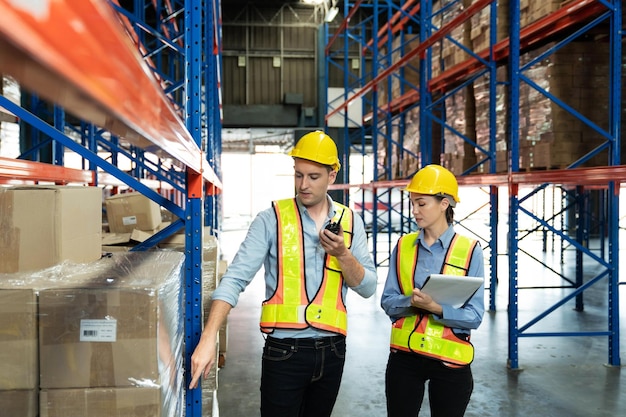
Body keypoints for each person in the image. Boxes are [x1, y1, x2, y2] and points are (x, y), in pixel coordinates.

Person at [189, 130, 378, 417]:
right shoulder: (271, 220)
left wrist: (342, 254)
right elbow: (234, 279)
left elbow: (367, 287)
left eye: (313, 177)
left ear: (332, 175)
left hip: (333, 351)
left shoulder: (351, 222)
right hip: (284, 353)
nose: (303, 185)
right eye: (298, 175)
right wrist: (208, 338)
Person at [380, 164, 485, 417]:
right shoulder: (404, 245)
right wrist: (412, 302)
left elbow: (475, 316)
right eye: (412, 203)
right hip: (405, 357)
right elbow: (388, 302)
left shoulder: (470, 250)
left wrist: (437, 309)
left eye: (421, 203)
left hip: (450, 360)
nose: (414, 210)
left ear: (444, 203)